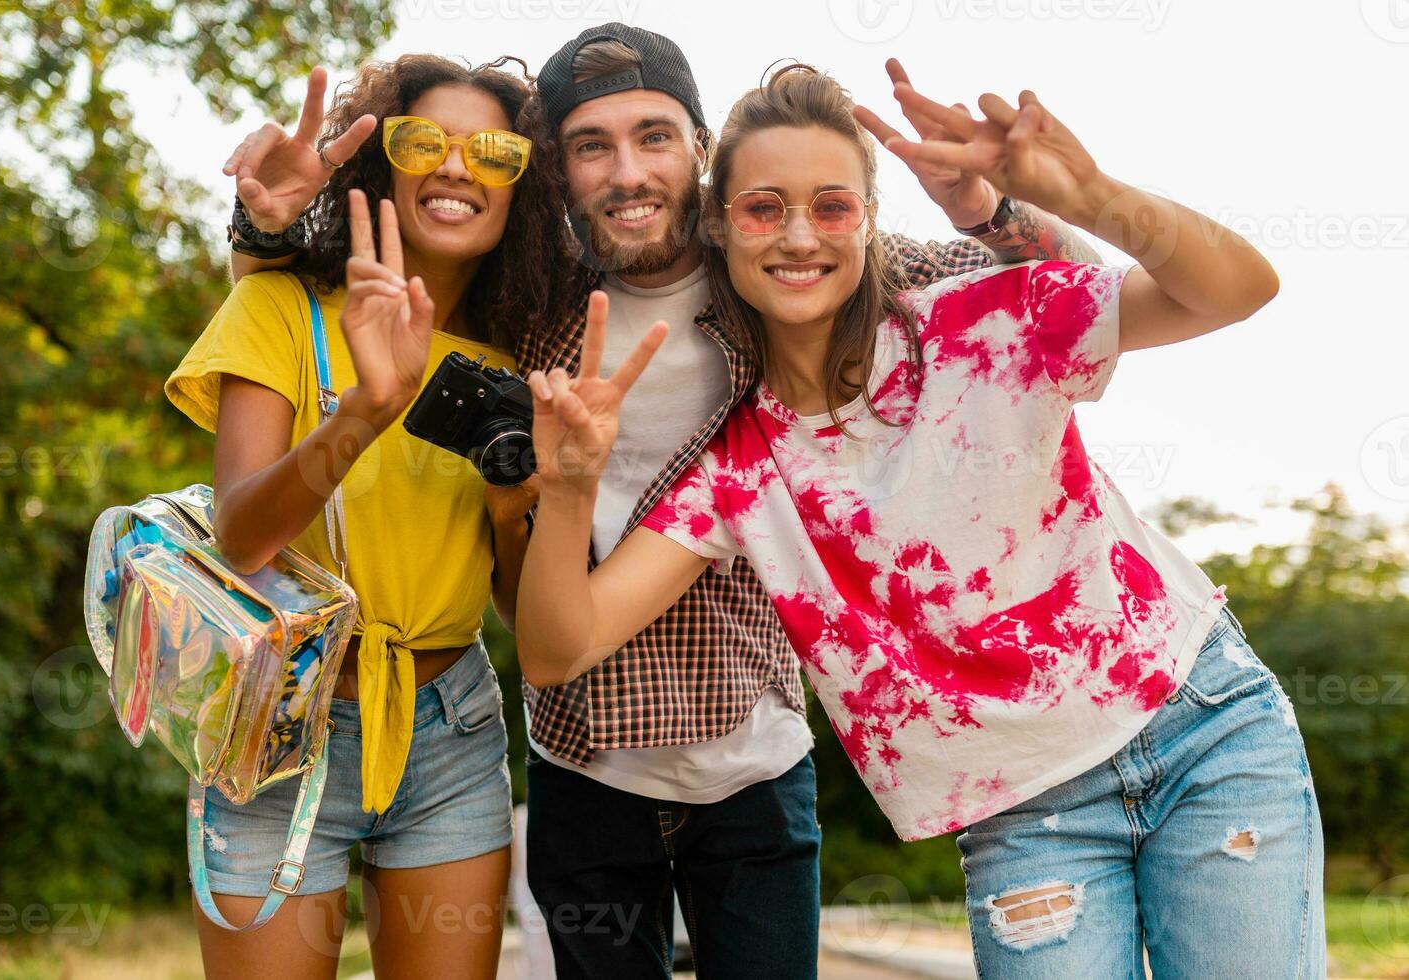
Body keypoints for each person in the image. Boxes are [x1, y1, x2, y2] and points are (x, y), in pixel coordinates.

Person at [225, 25, 1098, 976]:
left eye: (654, 136)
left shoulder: (785, 266)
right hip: (584, 764)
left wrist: (992, 206)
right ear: (554, 174)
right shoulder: (526, 309)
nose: (628, 171)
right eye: (589, 146)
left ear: (700, 150)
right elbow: (354, 302)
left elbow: (1052, 284)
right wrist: (264, 231)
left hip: (755, 761)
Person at [515, 63, 1327, 980]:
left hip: (1201, 728)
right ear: (718, 224)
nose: (797, 237)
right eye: (761, 208)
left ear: (867, 218)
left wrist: (1089, 195)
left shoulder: (984, 321)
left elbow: (1235, 290)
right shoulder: (741, 471)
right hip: (1024, 811)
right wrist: (571, 487)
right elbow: (557, 647)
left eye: (830, 207)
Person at [165, 54, 570, 979]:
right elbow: (241, 536)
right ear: (382, 163)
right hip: (279, 720)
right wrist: (361, 414)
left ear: (525, 189)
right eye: (426, 142)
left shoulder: (521, 358)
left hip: (451, 730)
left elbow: (516, 603)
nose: (459, 168)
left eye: (496, 153)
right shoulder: (278, 307)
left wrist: (516, 507)